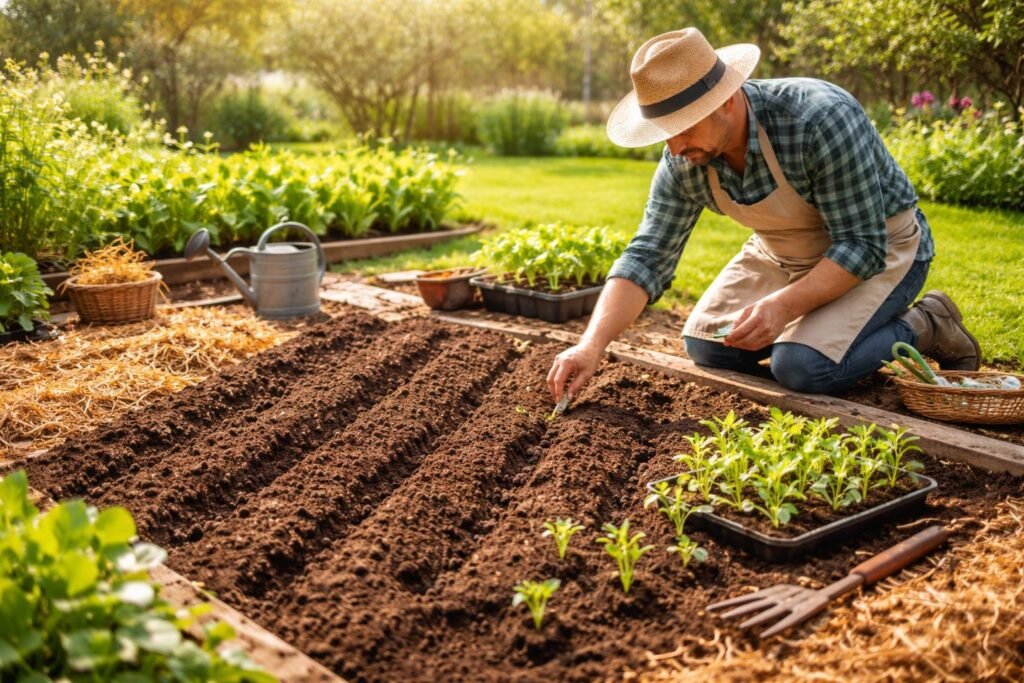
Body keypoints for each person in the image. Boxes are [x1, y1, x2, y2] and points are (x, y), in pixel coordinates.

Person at [547, 27, 980, 404]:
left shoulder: (817, 119)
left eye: (684, 127)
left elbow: (863, 246)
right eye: (665, 133)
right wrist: (591, 345)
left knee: (802, 367)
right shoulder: (683, 159)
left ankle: (925, 323)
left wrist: (782, 307)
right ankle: (814, 330)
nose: (674, 148)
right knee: (708, 346)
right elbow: (647, 255)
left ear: (727, 100)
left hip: (882, 248)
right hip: (782, 254)